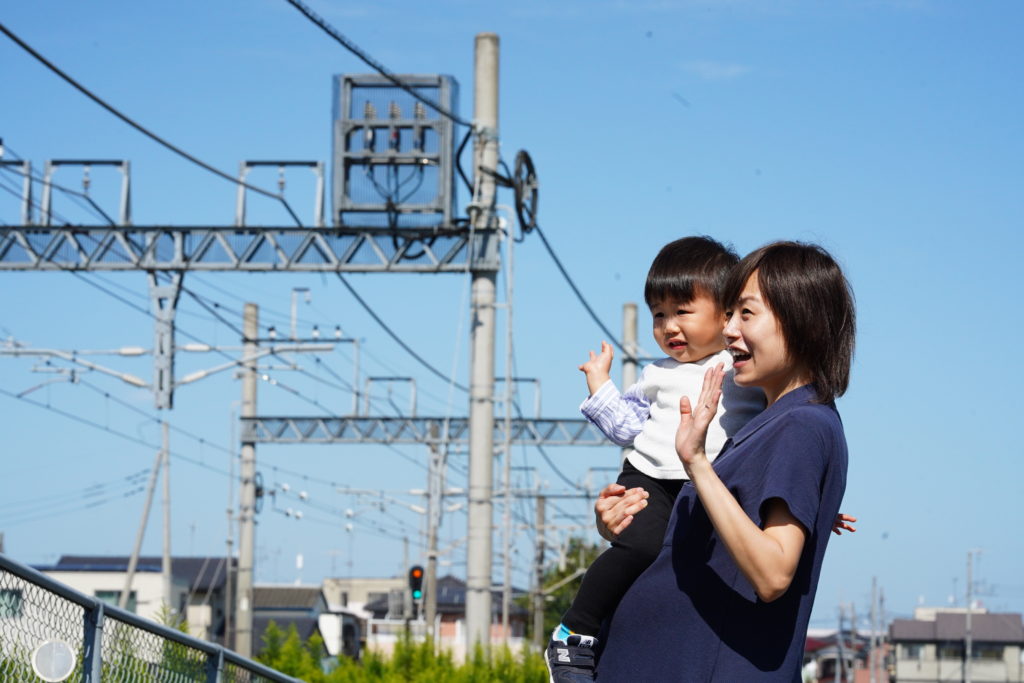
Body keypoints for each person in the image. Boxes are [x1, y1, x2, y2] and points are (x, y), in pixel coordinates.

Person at [595, 241, 855, 681]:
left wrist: (695, 462)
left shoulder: (800, 426)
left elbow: (772, 573)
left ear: (801, 319)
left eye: (746, 314)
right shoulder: (767, 424)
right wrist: (619, 522)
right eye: (729, 313)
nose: (729, 329)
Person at [545, 236, 767, 682]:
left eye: (682, 311)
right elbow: (625, 427)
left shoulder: (742, 370)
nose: (669, 326)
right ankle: (574, 634)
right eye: (659, 315)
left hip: (704, 482)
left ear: (726, 314)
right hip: (647, 476)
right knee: (640, 547)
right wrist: (600, 386)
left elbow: (770, 442)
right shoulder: (656, 374)